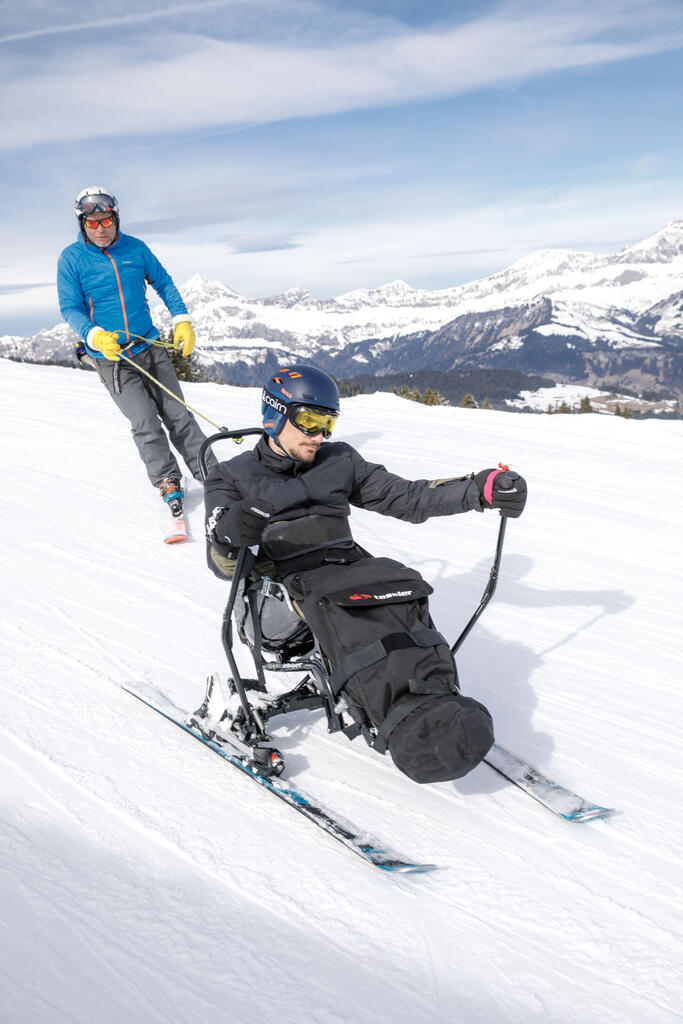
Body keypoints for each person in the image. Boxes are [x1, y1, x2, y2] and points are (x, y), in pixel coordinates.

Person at [203, 364, 528, 785]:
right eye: (310, 421)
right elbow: (221, 562)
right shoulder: (231, 476)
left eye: (328, 423)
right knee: (350, 611)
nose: (320, 436)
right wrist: (232, 531)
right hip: (274, 597)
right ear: (274, 415)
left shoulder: (340, 460)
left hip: (343, 572)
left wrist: (479, 489)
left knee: (402, 592)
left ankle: (428, 696)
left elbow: (407, 497)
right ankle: (399, 716)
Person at [57, 186, 216, 519]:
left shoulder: (136, 249)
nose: (101, 229)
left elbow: (164, 283)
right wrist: (95, 335)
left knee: (179, 416)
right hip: (112, 359)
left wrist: (182, 319)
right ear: (82, 224)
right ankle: (168, 479)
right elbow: (70, 308)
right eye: (93, 223)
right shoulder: (71, 259)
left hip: (150, 347)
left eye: (106, 221)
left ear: (115, 219)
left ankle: (212, 475)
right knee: (145, 422)